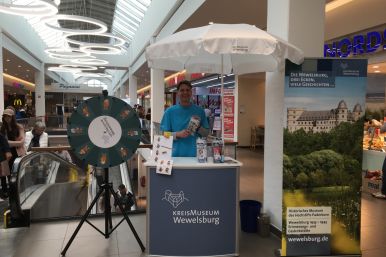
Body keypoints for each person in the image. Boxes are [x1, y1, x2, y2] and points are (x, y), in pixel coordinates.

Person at [160, 80, 209, 157]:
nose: (185, 92)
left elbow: (206, 134)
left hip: (196, 156)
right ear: (178, 93)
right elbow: (163, 134)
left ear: (191, 92)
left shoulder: (200, 111)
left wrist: (198, 127)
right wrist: (177, 134)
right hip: (175, 156)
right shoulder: (169, 112)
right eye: (182, 90)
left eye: (187, 90)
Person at [0, 108, 25, 196]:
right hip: (5, 153)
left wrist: (7, 143)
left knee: (16, 172)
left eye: (9, 116)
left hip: (17, 153)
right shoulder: (2, 128)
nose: (7, 118)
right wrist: (14, 143)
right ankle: (5, 191)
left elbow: (21, 142)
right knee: (4, 173)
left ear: (13, 117)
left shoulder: (19, 127)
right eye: (5, 116)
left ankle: (15, 191)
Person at [0, 134, 12, 198]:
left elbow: (8, 153)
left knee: (4, 177)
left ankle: (5, 192)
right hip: (3, 158)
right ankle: (5, 192)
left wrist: (5, 162)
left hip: (2, 158)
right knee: (3, 177)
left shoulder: (2, 137)